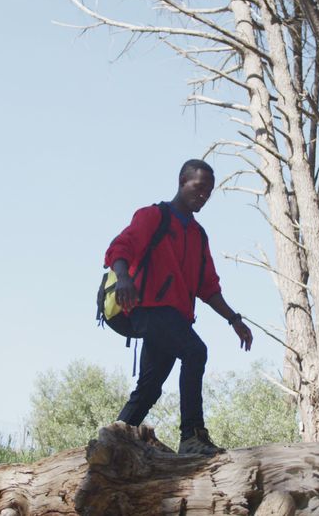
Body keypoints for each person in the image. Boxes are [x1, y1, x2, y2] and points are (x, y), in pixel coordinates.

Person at [104, 159, 253, 455]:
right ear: (182, 181)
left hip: (177, 319)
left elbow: (208, 286)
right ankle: (192, 436)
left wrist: (234, 319)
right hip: (148, 309)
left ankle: (110, 444)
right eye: (199, 187)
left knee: (149, 388)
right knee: (195, 352)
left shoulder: (198, 236)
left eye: (208, 192)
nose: (203, 196)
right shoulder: (153, 216)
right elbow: (120, 247)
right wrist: (123, 278)